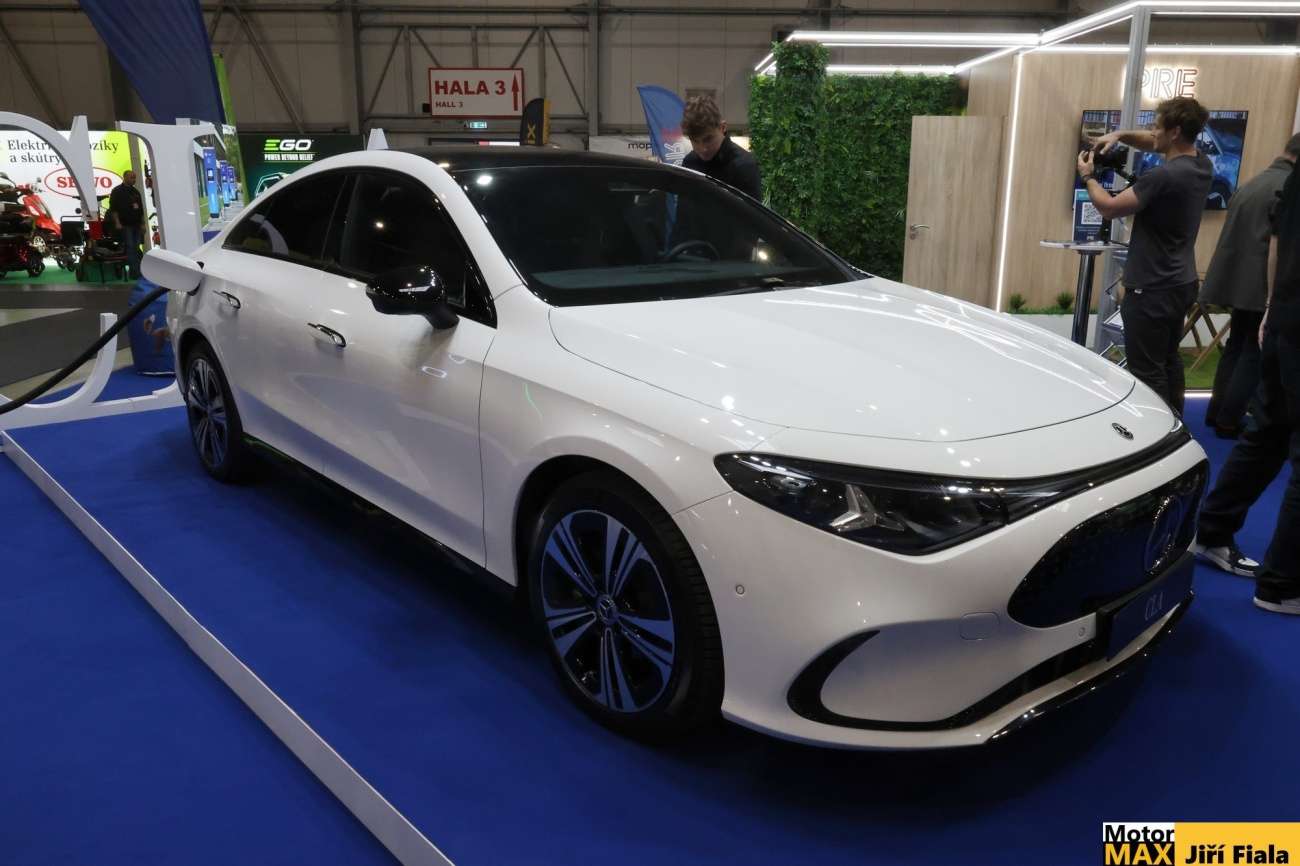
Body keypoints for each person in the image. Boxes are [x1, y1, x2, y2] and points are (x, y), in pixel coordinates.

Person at [1194, 159, 1300, 615]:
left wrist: (1273, 305)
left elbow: (1277, 239)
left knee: (1266, 435)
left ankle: (1212, 532)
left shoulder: (1292, 178)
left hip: (1285, 318)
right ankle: (1282, 585)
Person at [1077, 97, 1213, 416]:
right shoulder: (1201, 165)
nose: (1152, 133)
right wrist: (1119, 135)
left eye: (1156, 127)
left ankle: (1157, 429)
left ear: (1174, 131)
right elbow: (1154, 142)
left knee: (1147, 370)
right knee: (1168, 360)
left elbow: (1109, 208)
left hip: (1152, 289)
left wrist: (1088, 176)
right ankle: (1176, 423)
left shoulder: (1162, 177)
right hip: (1180, 283)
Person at [1199, 134, 1300, 438]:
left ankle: (1217, 412)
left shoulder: (1253, 182)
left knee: (1235, 347)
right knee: (1253, 354)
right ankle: (1229, 419)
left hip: (1237, 281)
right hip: (1263, 286)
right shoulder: (1287, 186)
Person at [680, 95, 762, 200]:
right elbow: (683, 208)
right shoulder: (689, 163)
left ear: (722, 127)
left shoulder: (745, 166)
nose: (703, 149)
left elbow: (751, 211)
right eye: (695, 141)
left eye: (708, 139)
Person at [109, 169, 145, 279]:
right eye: (131, 177)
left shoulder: (136, 192)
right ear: (124, 177)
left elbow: (140, 210)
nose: (134, 179)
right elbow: (113, 209)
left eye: (135, 177)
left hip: (136, 224)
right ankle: (135, 272)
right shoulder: (117, 191)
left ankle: (137, 271)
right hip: (125, 225)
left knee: (136, 248)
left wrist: (143, 224)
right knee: (130, 248)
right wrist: (117, 222)